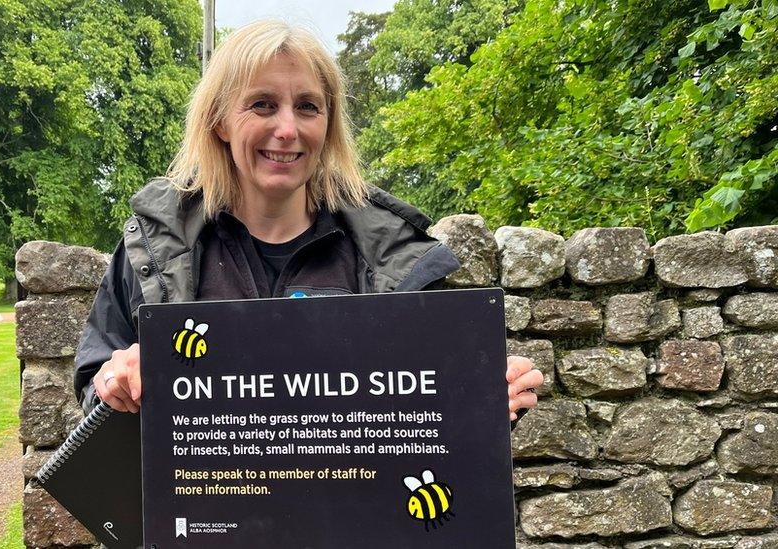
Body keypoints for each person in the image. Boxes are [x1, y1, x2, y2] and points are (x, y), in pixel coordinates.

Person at [73, 20, 543, 421]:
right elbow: (94, 379)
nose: (288, 129)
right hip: (206, 519)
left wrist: (487, 399)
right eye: (262, 104)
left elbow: (434, 416)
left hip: (354, 524)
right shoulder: (157, 244)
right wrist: (113, 384)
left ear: (328, 124)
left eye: (307, 106)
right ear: (219, 121)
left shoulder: (391, 255)